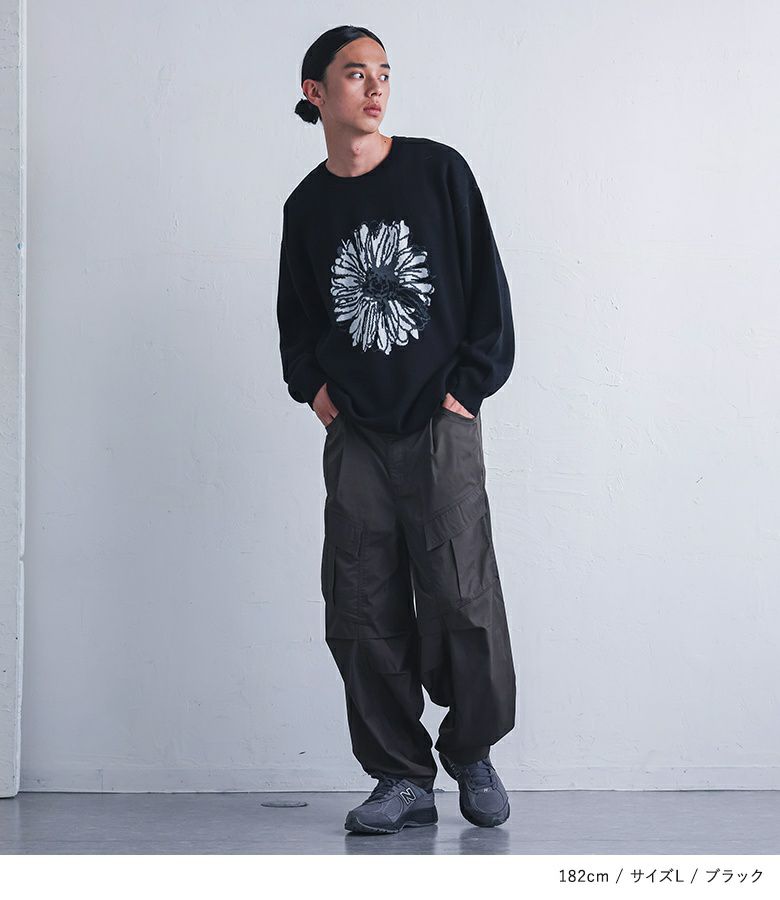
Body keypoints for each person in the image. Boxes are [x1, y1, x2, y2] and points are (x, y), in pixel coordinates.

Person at [276, 24, 517, 835]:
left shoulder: (438, 171)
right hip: (358, 435)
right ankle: (400, 777)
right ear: (315, 93)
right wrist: (316, 394)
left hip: (440, 422)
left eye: (383, 71)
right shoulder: (307, 206)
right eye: (355, 73)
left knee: (462, 594)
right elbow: (298, 320)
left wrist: (466, 391)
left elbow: (487, 293)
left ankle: (473, 753)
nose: (376, 86)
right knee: (359, 602)